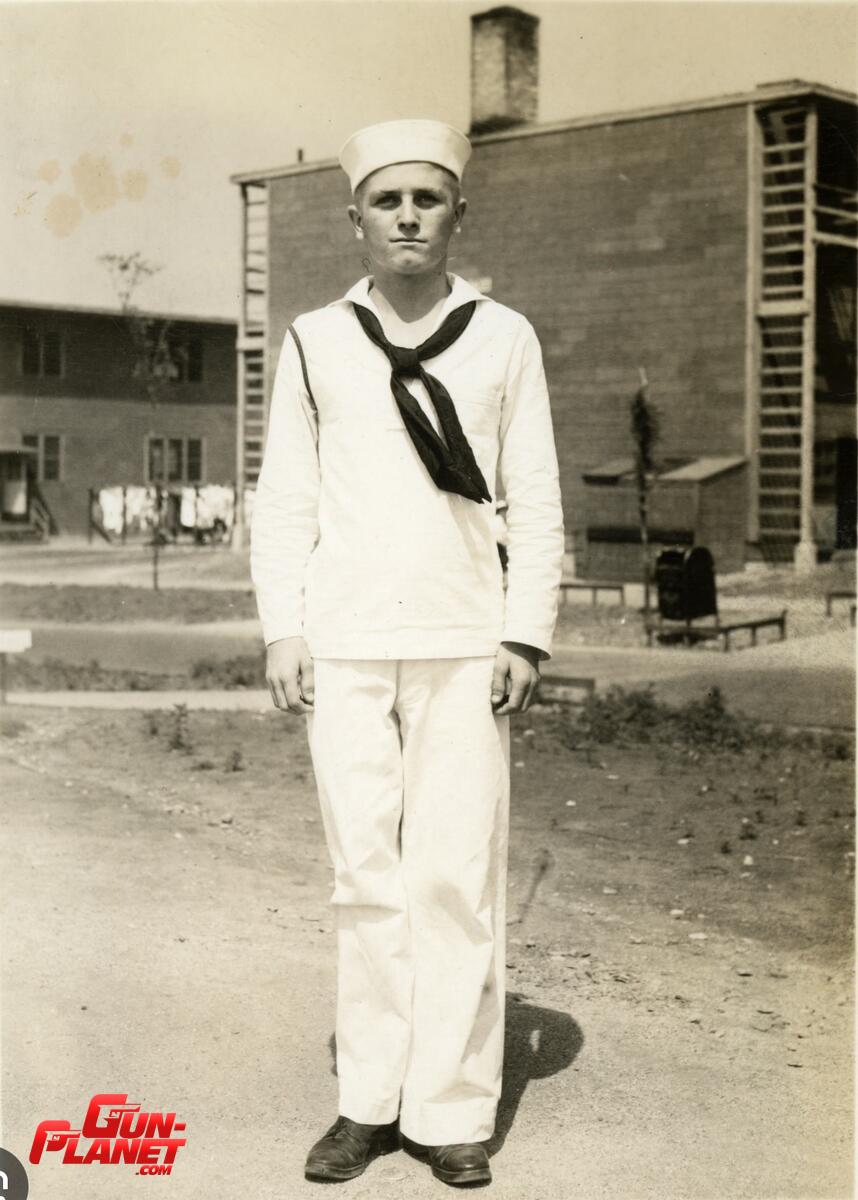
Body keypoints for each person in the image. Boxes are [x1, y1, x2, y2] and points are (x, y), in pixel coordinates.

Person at [251, 118, 564, 1188]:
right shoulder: (314, 340)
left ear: (457, 214)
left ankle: (450, 1109)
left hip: (465, 642)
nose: (408, 217)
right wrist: (284, 627)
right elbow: (285, 499)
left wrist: (524, 632)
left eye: (427, 199)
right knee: (365, 877)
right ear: (356, 218)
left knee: (454, 877)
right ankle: (369, 1101)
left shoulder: (504, 337)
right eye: (388, 200)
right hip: (343, 643)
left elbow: (538, 497)